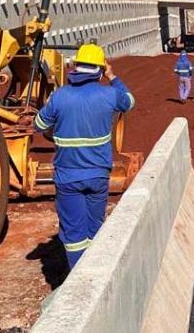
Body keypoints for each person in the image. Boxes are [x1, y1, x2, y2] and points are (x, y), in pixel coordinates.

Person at [34, 44, 135, 268]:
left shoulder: (60, 96)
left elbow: (39, 124)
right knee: (95, 227)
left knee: (74, 235)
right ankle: (96, 274)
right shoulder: (109, 94)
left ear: (76, 66)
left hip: (68, 177)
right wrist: (112, 76)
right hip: (98, 175)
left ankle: (78, 276)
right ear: (100, 70)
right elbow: (129, 101)